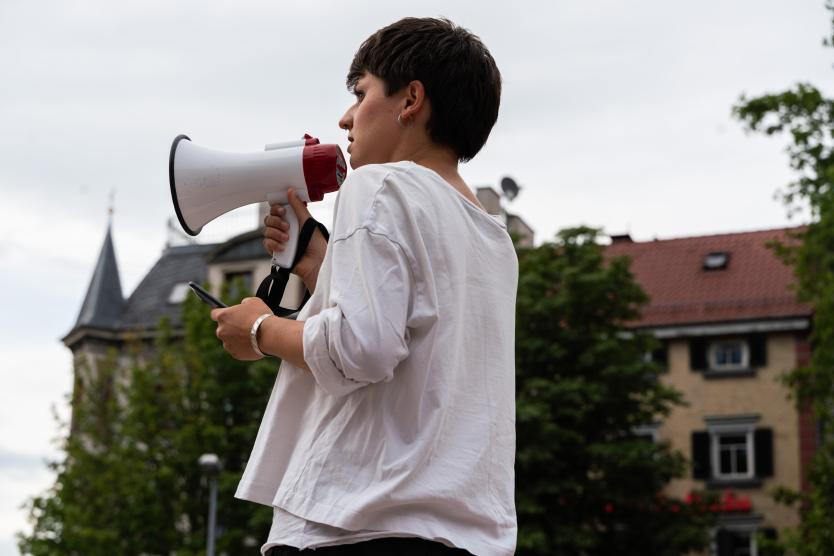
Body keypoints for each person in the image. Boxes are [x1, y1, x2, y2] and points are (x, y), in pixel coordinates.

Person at [210, 17, 518, 556]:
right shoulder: (493, 235)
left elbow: (362, 346)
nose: (346, 117)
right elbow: (414, 331)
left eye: (361, 93)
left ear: (410, 100)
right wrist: (321, 264)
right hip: (464, 534)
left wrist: (258, 329)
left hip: (353, 521)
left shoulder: (379, 185)